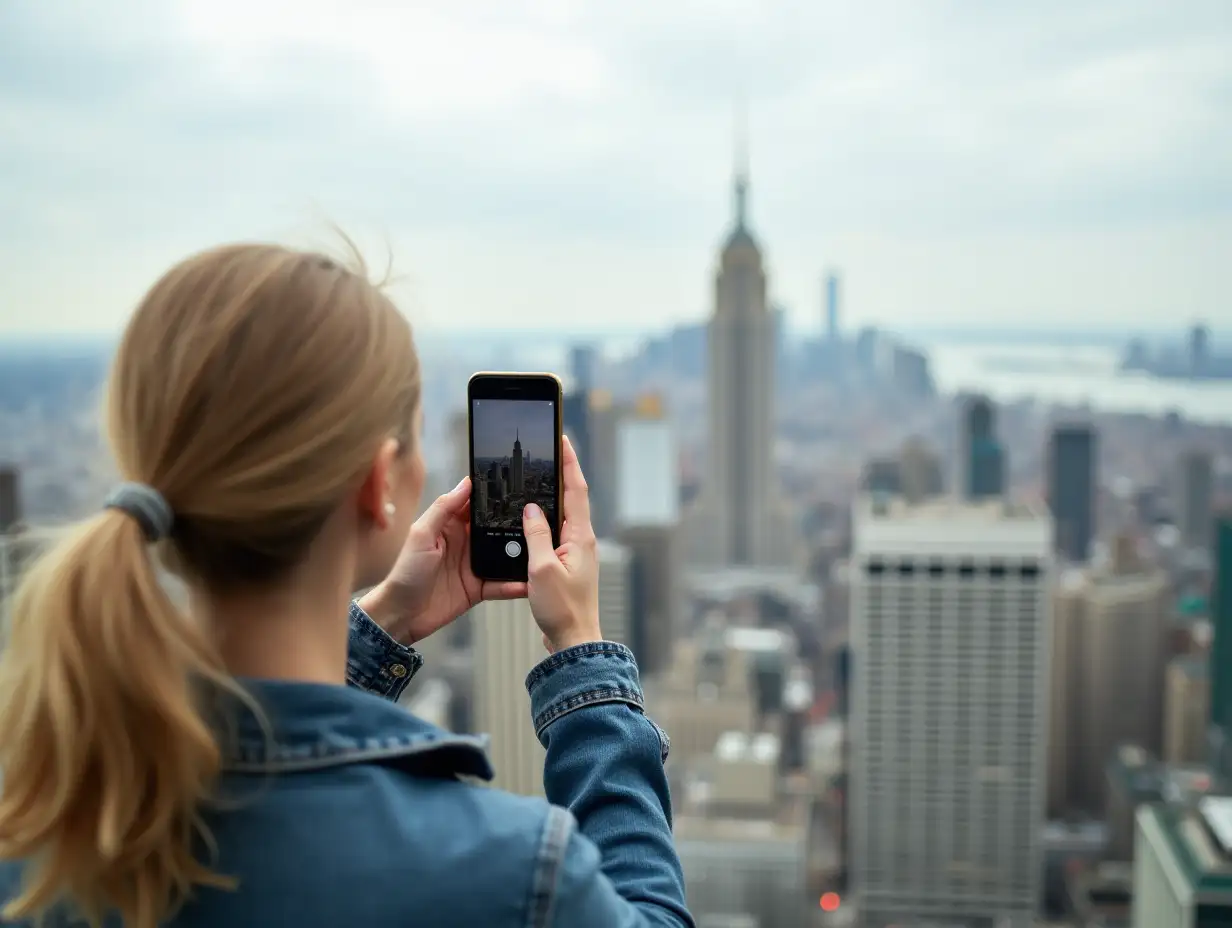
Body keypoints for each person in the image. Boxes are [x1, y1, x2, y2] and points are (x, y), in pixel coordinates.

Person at [0, 244, 693, 928]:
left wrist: (380, 628)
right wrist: (583, 660)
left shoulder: (38, 827)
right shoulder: (506, 873)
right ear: (376, 481)